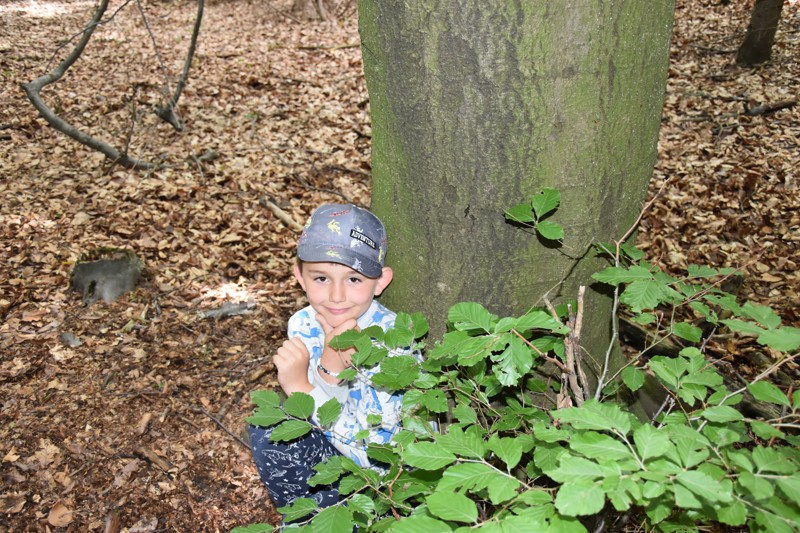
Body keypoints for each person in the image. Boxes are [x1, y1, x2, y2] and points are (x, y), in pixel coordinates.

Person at [249, 203, 411, 516]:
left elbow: (381, 459)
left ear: (380, 281)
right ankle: (302, 518)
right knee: (268, 428)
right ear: (300, 276)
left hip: (384, 484)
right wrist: (329, 374)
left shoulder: (392, 347)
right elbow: (321, 419)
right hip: (337, 451)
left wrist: (302, 387)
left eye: (354, 279)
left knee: (280, 432)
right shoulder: (304, 323)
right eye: (321, 278)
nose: (336, 296)